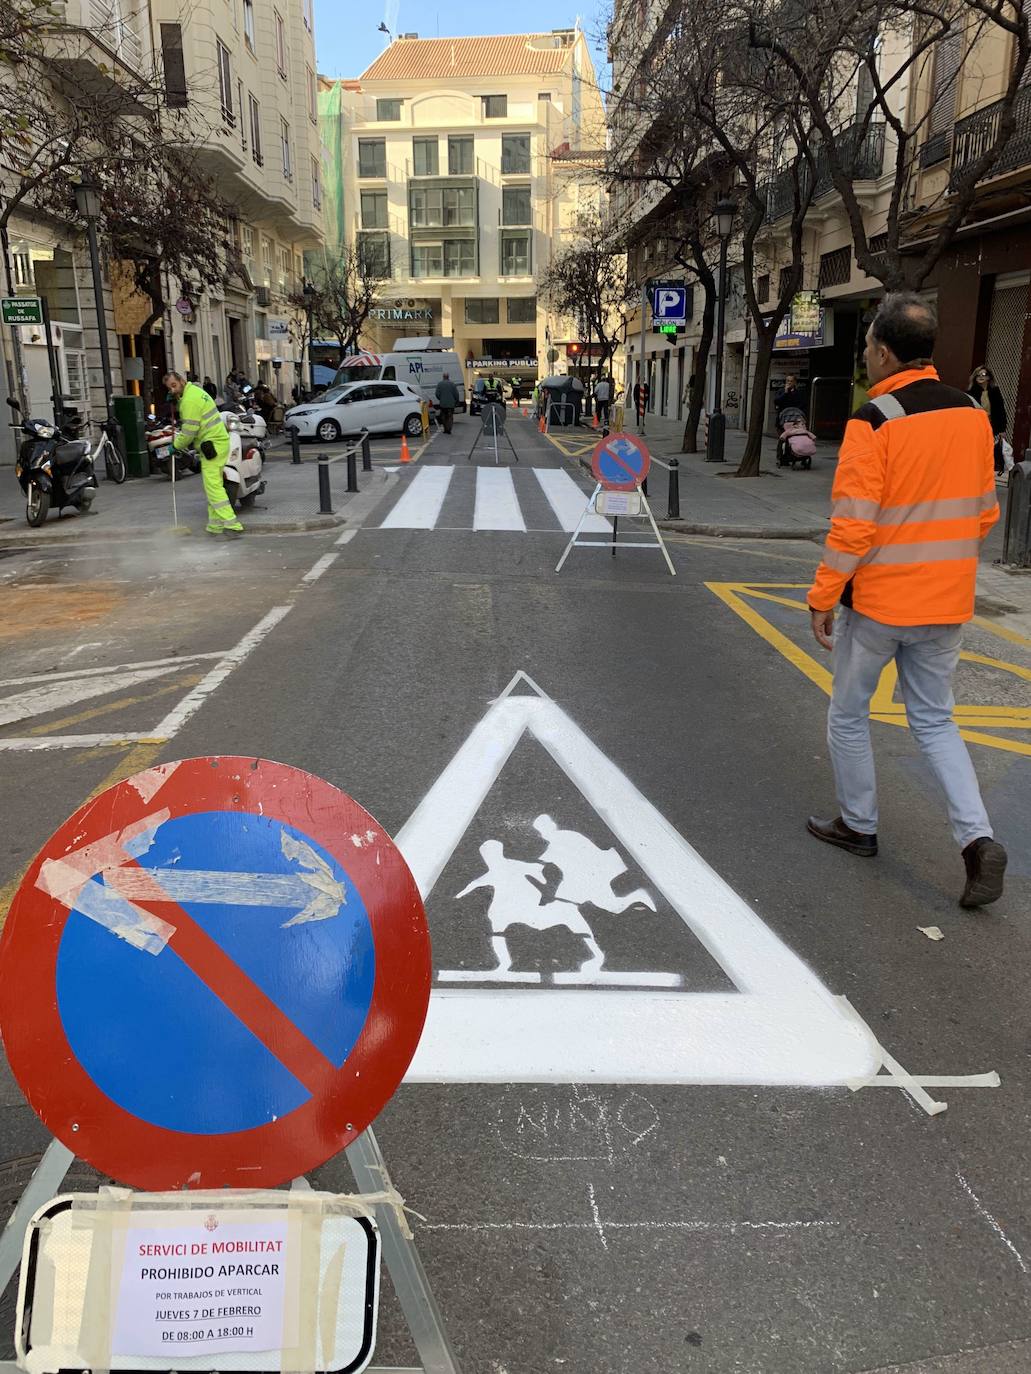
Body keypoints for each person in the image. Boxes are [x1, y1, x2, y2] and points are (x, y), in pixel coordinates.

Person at [805, 293, 1005, 908]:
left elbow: (855, 525)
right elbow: (983, 513)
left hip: (881, 606)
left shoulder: (874, 419)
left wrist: (823, 595)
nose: (865, 355)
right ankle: (977, 842)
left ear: (885, 352)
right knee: (937, 721)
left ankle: (858, 825)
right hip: (946, 603)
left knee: (848, 714)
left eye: (867, 345)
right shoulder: (973, 414)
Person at [164, 371, 243, 538]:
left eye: (174, 385)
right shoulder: (194, 392)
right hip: (216, 442)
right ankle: (215, 526)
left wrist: (175, 446)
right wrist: (176, 402)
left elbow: (188, 432)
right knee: (213, 486)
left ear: (182, 381)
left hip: (212, 444)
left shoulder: (190, 400)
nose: (172, 390)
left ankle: (232, 524)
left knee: (213, 487)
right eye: (169, 388)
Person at [967, 366, 1009, 473]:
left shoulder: (995, 391)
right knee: (977, 449)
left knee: (990, 449)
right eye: (978, 374)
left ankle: (990, 470)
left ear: (989, 377)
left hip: (991, 426)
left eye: (983, 374)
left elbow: (1001, 411)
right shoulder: (971, 392)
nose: (980, 376)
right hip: (977, 425)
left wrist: (1002, 429)